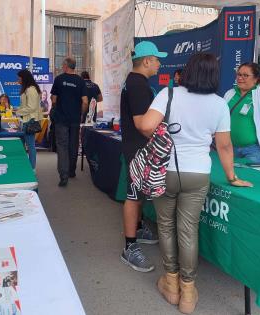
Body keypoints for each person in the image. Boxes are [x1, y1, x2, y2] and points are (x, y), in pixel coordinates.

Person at [137, 53, 252, 314]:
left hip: (164, 170)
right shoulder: (220, 105)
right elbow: (223, 145)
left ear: (187, 72)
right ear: (214, 75)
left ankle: (171, 285)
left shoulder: (169, 94)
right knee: (188, 230)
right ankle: (188, 294)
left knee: (166, 226)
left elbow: (145, 125)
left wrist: (161, 138)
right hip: (198, 173)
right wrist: (232, 177)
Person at [119, 41, 167, 273]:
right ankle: (129, 247)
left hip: (139, 148)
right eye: (157, 59)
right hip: (139, 150)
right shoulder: (137, 84)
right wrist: (166, 139)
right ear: (147, 60)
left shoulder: (136, 82)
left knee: (138, 194)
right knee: (134, 196)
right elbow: (142, 124)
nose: (159, 64)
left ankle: (137, 227)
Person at [50, 57, 88, 187]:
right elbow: (85, 102)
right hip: (75, 119)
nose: (62, 66)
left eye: (63, 65)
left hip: (61, 119)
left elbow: (54, 100)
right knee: (73, 145)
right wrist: (81, 114)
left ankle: (63, 176)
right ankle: (72, 171)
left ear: (66, 66)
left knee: (62, 146)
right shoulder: (80, 81)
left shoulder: (59, 79)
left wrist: (56, 107)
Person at [15, 69, 42, 170]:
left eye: (19, 77)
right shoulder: (27, 89)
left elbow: (32, 107)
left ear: (24, 78)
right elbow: (26, 105)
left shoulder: (31, 89)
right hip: (26, 120)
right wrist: (17, 109)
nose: (18, 79)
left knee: (30, 146)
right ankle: (25, 166)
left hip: (30, 120)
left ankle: (32, 168)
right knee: (23, 144)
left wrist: (17, 112)